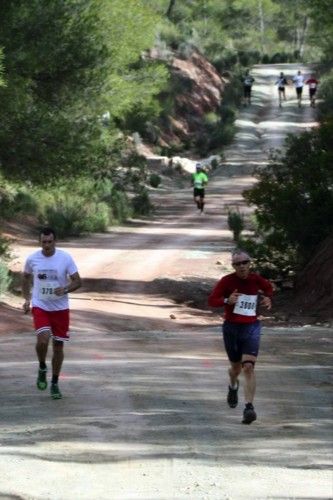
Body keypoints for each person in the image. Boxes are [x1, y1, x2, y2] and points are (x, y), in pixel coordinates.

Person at [208, 249, 273, 424]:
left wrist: (268, 298)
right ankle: (232, 384)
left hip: (251, 326)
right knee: (236, 369)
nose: (242, 266)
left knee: (248, 367)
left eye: (245, 262)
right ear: (233, 266)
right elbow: (212, 300)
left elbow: (268, 288)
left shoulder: (256, 279)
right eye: (238, 264)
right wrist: (226, 301)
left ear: (250, 263)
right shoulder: (227, 281)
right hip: (231, 328)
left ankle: (249, 408)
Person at [22, 227, 82, 400]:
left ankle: (55, 383)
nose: (46, 245)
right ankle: (42, 366)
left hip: (60, 308)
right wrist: (27, 299)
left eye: (50, 242)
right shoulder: (32, 258)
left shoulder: (65, 258)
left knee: (58, 346)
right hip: (40, 305)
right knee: (43, 339)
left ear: (55, 241)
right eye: (43, 242)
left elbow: (78, 281)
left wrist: (64, 289)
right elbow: (25, 277)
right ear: (39, 242)